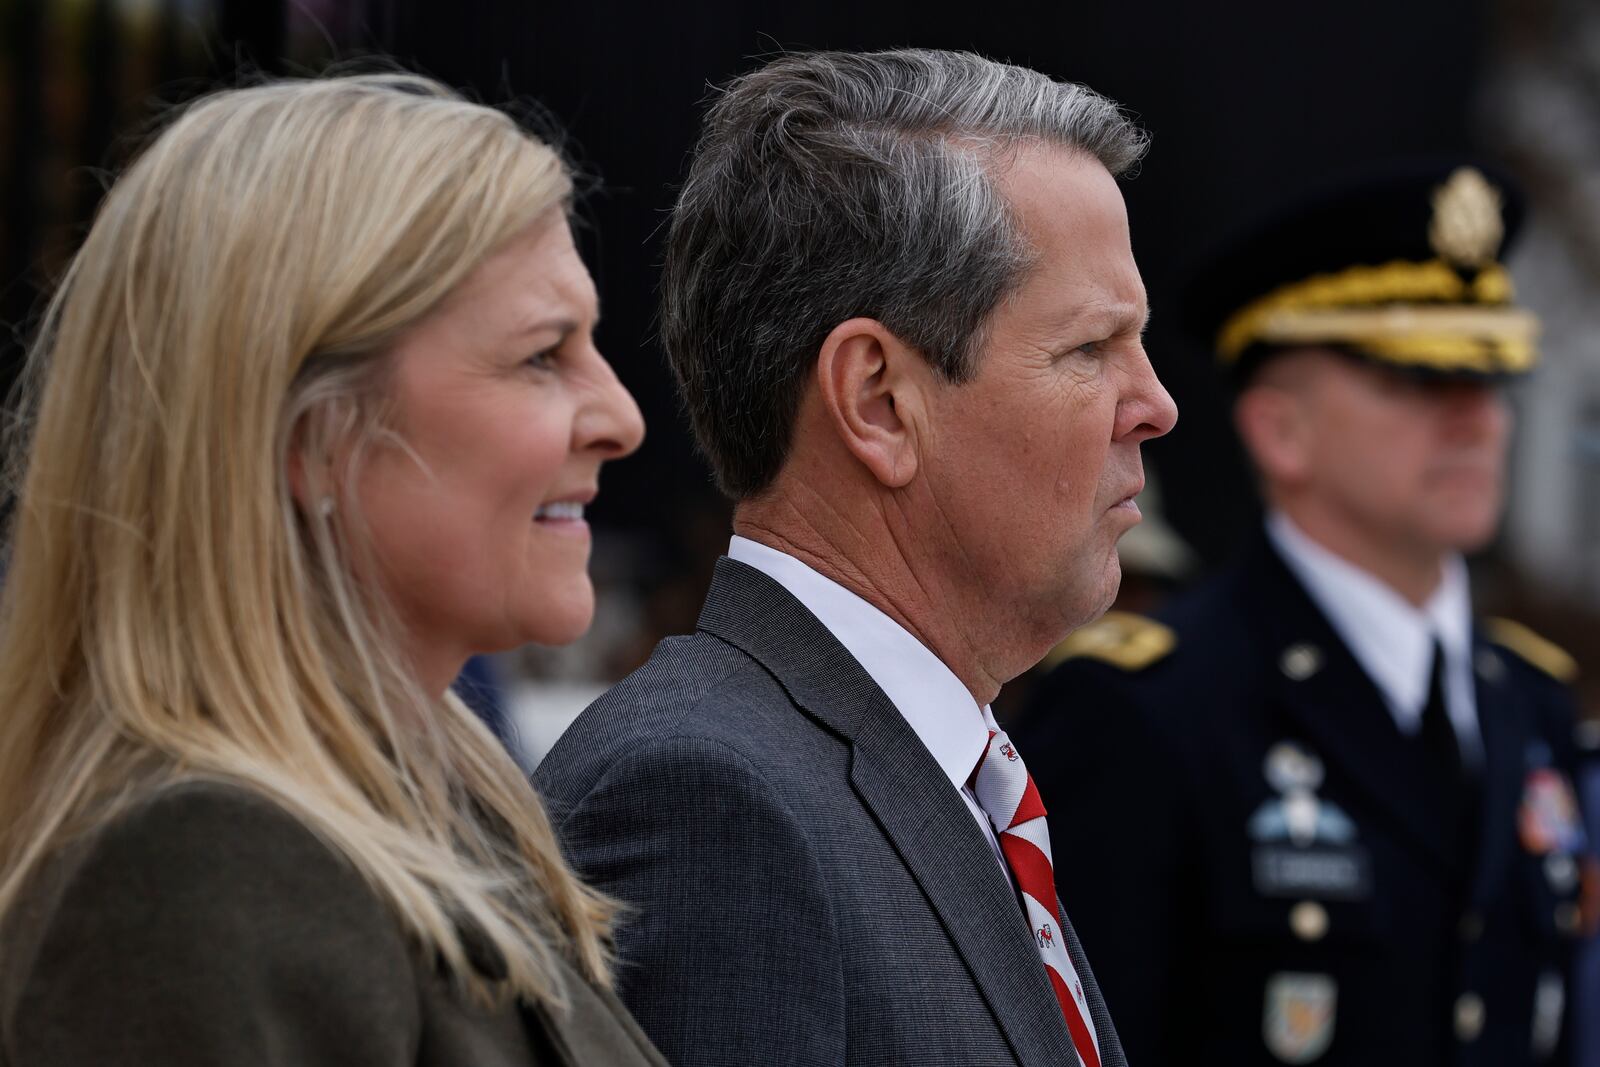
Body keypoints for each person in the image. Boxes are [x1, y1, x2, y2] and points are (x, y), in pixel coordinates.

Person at [0, 74, 660, 1067]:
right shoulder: (200, 873)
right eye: (541, 356)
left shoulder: (442, 806)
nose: (620, 417)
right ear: (315, 437)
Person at [536, 48, 1176, 1067]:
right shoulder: (712, 800)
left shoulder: (943, 774)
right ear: (878, 400)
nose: (1153, 403)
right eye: (1090, 349)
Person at [1018, 160, 1595, 1066]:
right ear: (1280, 430)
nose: (1476, 421)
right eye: (1418, 380)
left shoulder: (1531, 704)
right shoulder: (1144, 710)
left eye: (1490, 379)